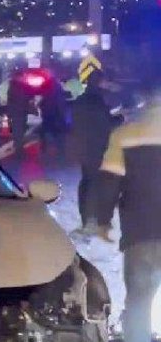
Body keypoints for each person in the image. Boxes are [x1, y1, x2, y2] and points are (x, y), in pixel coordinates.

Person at [93, 84, 161, 342]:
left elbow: (109, 182)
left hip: (140, 231)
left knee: (139, 298)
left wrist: (102, 220)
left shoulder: (124, 135)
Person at [71, 71, 123, 235]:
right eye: (105, 81)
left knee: (86, 182)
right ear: (100, 82)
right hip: (96, 148)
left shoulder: (80, 100)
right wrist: (121, 118)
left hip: (82, 148)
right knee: (94, 184)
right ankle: (90, 221)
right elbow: (105, 125)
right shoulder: (97, 102)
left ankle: (86, 218)